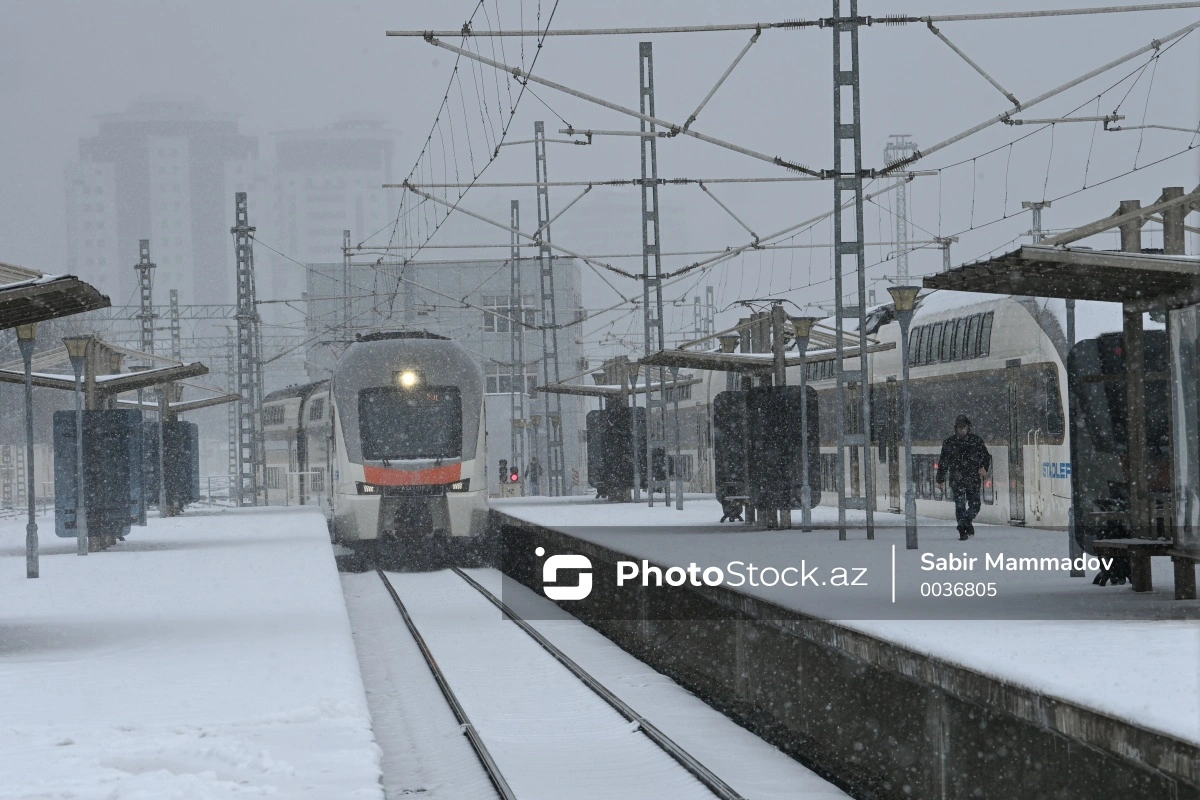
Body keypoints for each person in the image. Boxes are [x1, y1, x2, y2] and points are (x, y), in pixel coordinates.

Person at [935, 415, 992, 541]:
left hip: (971, 478)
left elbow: (986, 457)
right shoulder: (950, 443)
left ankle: (965, 522)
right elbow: (943, 462)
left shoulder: (976, 441)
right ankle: (962, 530)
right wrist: (940, 479)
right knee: (960, 506)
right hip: (958, 480)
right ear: (956, 428)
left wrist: (984, 467)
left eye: (964, 427)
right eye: (960, 428)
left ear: (968, 428)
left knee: (975, 506)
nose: (962, 430)